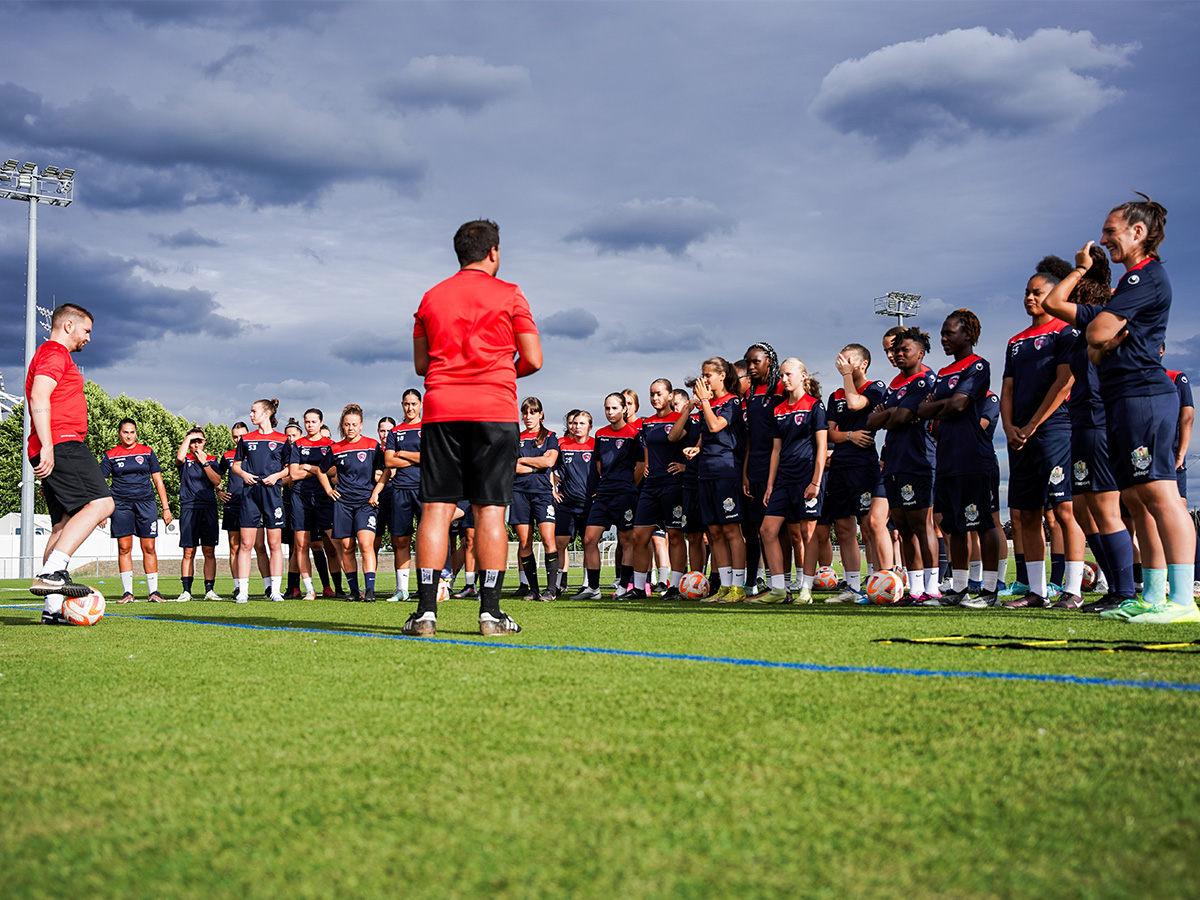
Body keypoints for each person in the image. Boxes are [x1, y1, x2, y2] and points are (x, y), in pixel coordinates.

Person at [1042, 196, 1198, 623]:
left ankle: (1182, 601)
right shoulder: (1123, 291)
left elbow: (1096, 332)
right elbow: (1058, 307)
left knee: (1161, 495)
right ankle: (1151, 596)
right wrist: (1080, 270)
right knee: (1136, 496)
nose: (1104, 238)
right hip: (1122, 401)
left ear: (1138, 232)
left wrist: (1101, 338)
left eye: (1111, 231)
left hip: (1144, 396)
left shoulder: (1144, 276)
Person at [404, 219, 542, 636]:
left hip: (443, 408)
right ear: (494, 252)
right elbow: (533, 360)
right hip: (494, 410)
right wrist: (498, 373)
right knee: (491, 511)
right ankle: (490, 613)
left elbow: (422, 366)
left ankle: (426, 612)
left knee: (436, 510)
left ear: (459, 254)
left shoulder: (431, 298)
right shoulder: (511, 294)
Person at [999, 258, 1086, 610]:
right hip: (1019, 436)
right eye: (1027, 292)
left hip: (1052, 430)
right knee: (1025, 513)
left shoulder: (1066, 332)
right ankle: (1037, 591)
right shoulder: (1016, 341)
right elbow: (1007, 389)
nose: (1030, 298)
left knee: (1065, 509)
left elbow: (1065, 382)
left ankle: (1073, 589)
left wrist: (1033, 424)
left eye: (1038, 292)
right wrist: (1010, 428)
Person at [25, 303, 116, 622]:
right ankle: (53, 572)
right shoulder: (54, 352)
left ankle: (51, 609)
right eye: (86, 330)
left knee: (63, 524)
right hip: (61, 442)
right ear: (68, 326)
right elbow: (39, 396)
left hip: (53, 443)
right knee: (103, 504)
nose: (88, 338)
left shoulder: (51, 354)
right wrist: (48, 446)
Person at [917, 310, 1002, 608]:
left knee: (982, 523)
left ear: (968, 335)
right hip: (947, 458)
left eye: (949, 333)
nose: (943, 339)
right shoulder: (942, 373)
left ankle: (989, 591)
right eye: (941, 333)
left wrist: (939, 406)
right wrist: (944, 406)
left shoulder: (979, 366)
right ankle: (958, 589)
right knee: (953, 526)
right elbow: (924, 410)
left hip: (972, 457)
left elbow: (959, 404)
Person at [867, 327, 939, 604]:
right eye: (895, 351)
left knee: (923, 525)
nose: (897, 355)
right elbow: (873, 423)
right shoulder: (895, 383)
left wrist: (888, 415)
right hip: (894, 461)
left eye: (903, 350)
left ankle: (933, 588)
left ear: (920, 353)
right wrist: (890, 414)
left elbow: (900, 417)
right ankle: (916, 589)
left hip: (919, 459)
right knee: (904, 528)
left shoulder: (925, 381)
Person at [671, 357, 747, 602]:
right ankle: (723, 587)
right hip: (705, 472)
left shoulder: (732, 402)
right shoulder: (710, 403)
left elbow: (716, 426)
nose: (704, 380)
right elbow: (707, 434)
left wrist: (703, 401)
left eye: (708, 375)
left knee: (731, 530)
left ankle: (738, 586)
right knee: (713, 531)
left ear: (722, 376)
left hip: (726, 471)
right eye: (703, 375)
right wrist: (697, 448)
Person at [820, 343, 890, 603]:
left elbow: (855, 403)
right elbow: (830, 433)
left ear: (863, 364)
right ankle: (851, 587)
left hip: (864, 467)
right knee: (844, 527)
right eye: (841, 360)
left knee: (869, 525)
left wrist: (848, 375)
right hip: (839, 466)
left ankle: (878, 580)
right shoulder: (834, 395)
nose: (842, 364)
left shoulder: (875, 387)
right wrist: (849, 435)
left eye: (848, 360)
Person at [759, 358, 828, 604]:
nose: (784, 379)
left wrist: (816, 482)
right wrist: (770, 485)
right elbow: (775, 451)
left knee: (808, 534)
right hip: (783, 479)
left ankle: (806, 590)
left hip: (806, 477)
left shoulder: (814, 406)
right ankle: (778, 590)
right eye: (781, 375)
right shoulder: (778, 410)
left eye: (788, 374)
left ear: (802, 376)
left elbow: (821, 447)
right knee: (767, 530)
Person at [573, 392, 643, 600]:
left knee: (626, 540)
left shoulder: (633, 433)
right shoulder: (601, 434)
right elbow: (597, 464)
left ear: (624, 409)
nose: (610, 412)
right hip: (603, 494)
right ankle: (593, 589)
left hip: (625, 495)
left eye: (614, 408)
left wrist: (629, 485)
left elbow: (641, 465)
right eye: (607, 408)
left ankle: (623, 586)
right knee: (589, 538)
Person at [101, 418, 173, 603]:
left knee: (149, 547)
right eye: (125, 432)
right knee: (124, 548)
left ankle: (154, 592)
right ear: (119, 433)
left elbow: (158, 480)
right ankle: (128, 593)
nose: (129, 435)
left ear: (136, 433)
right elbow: (102, 484)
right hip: (121, 505)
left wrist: (166, 508)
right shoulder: (111, 455)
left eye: (132, 432)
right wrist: (102, 511)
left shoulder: (147, 452)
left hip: (146, 504)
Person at [318, 405, 385, 601]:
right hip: (343, 504)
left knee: (366, 545)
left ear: (361, 425)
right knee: (346, 547)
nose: (350, 428)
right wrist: (329, 490)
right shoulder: (335, 448)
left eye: (354, 425)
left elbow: (386, 470)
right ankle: (354, 591)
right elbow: (321, 471)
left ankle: (370, 590)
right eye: (347, 425)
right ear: (342, 426)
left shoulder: (372, 445)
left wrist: (376, 492)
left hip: (366, 503)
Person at [631, 379, 688, 599]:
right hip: (651, 486)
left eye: (659, 394)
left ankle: (674, 587)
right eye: (652, 394)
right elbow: (648, 448)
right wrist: (647, 466)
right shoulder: (647, 423)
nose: (655, 398)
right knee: (639, 536)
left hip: (673, 485)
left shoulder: (681, 420)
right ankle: (638, 588)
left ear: (670, 395)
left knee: (675, 536)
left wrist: (686, 466)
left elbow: (694, 446)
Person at [230, 398, 291, 603]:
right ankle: (243, 592)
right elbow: (235, 466)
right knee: (246, 544)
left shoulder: (283, 439)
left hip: (272, 494)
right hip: (250, 494)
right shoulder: (246, 439)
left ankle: (275, 591)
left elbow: (290, 467)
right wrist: (244, 475)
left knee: (274, 544)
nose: (250, 415)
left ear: (266, 413)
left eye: (254, 411)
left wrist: (276, 476)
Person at [740, 343, 785, 599]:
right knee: (751, 527)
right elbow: (749, 438)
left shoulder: (780, 388)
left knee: (779, 528)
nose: (751, 367)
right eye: (748, 363)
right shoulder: (750, 392)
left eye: (756, 362)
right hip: (754, 466)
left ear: (769, 361)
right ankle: (752, 583)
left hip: (777, 466)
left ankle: (784, 582)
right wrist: (745, 472)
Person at [511, 397, 560, 600]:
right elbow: (510, 466)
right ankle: (533, 589)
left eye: (533, 412)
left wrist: (523, 460)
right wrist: (535, 465)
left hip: (542, 494)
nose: (528, 417)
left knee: (548, 540)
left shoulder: (550, 436)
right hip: (518, 493)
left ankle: (551, 590)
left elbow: (549, 460)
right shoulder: (516, 437)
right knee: (524, 543)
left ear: (541, 414)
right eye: (525, 413)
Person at [288, 408, 336, 600]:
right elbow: (293, 474)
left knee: (337, 543)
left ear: (320, 422)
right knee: (301, 545)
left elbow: (332, 472)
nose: (310, 425)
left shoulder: (329, 444)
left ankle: (350, 586)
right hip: (300, 497)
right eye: (307, 422)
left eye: (313, 422)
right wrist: (319, 470)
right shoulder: (298, 445)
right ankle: (310, 589)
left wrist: (309, 467)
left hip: (325, 498)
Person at [383, 390, 423, 601]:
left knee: (425, 540)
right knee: (400, 539)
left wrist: (404, 454)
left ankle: (428, 587)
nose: (410, 408)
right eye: (406, 404)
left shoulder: (427, 428)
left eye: (413, 403)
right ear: (402, 405)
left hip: (423, 489)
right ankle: (402, 589)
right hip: (400, 489)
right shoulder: (395, 432)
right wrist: (416, 458)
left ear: (420, 404)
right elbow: (389, 461)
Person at [175, 427, 222, 601]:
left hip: (208, 507)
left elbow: (217, 481)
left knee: (209, 550)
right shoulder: (185, 459)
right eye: (193, 441)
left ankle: (209, 590)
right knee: (189, 551)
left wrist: (205, 463)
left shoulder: (211, 459)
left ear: (204, 442)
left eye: (199, 441)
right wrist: (188, 438)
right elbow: (179, 458)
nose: (196, 444)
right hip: (188, 508)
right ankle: (186, 590)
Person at [552, 410, 594, 595]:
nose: (577, 427)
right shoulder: (562, 444)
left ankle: (587, 584)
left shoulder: (596, 445)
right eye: (575, 423)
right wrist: (553, 488)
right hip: (566, 504)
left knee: (588, 544)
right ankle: (558, 584)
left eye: (582, 423)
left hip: (589, 504)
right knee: (560, 543)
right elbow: (548, 467)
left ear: (590, 427)